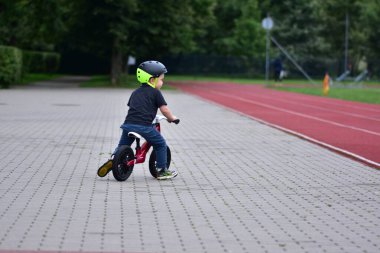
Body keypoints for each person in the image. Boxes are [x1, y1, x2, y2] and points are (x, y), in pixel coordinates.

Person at [101, 60, 179, 180]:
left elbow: (134, 107)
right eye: (162, 79)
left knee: (123, 144)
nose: (163, 82)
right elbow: (165, 110)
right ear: (152, 80)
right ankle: (162, 171)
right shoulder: (156, 93)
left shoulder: (135, 92)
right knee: (160, 144)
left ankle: (115, 158)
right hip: (144, 126)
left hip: (128, 125)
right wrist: (172, 118)